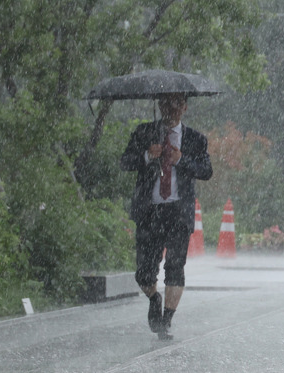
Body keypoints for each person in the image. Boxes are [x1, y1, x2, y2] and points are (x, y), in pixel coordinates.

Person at [120, 93, 212, 340]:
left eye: (176, 105)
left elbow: (206, 171)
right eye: (166, 104)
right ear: (159, 106)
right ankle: (154, 297)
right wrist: (148, 155)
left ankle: (166, 320)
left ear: (185, 107)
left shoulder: (195, 139)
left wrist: (182, 160)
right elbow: (125, 162)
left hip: (178, 212)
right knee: (144, 273)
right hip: (150, 211)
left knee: (175, 266)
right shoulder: (144, 133)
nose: (170, 110)